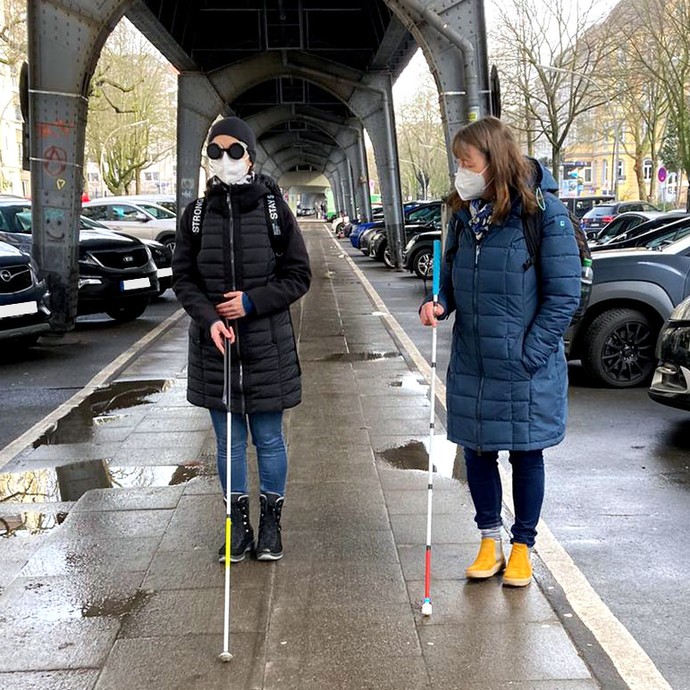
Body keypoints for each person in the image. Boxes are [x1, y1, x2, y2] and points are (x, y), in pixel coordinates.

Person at [419, 116, 581, 587]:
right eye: (457, 163)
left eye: (466, 162)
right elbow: (448, 283)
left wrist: (528, 354)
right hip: (474, 361)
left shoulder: (543, 214)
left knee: (527, 454)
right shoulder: (462, 215)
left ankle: (523, 546)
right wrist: (439, 305)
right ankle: (490, 539)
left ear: (494, 161)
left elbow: (563, 296)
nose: (460, 171)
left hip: (525, 364)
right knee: (477, 451)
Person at [172, 116, 311, 563]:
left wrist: (251, 302)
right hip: (217, 349)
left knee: (269, 438)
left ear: (250, 156)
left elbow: (298, 275)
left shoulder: (273, 209)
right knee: (228, 443)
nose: (225, 160)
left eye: (235, 151)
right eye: (216, 152)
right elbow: (184, 277)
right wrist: (210, 316)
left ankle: (271, 524)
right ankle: (237, 525)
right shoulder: (195, 214)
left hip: (266, 346)